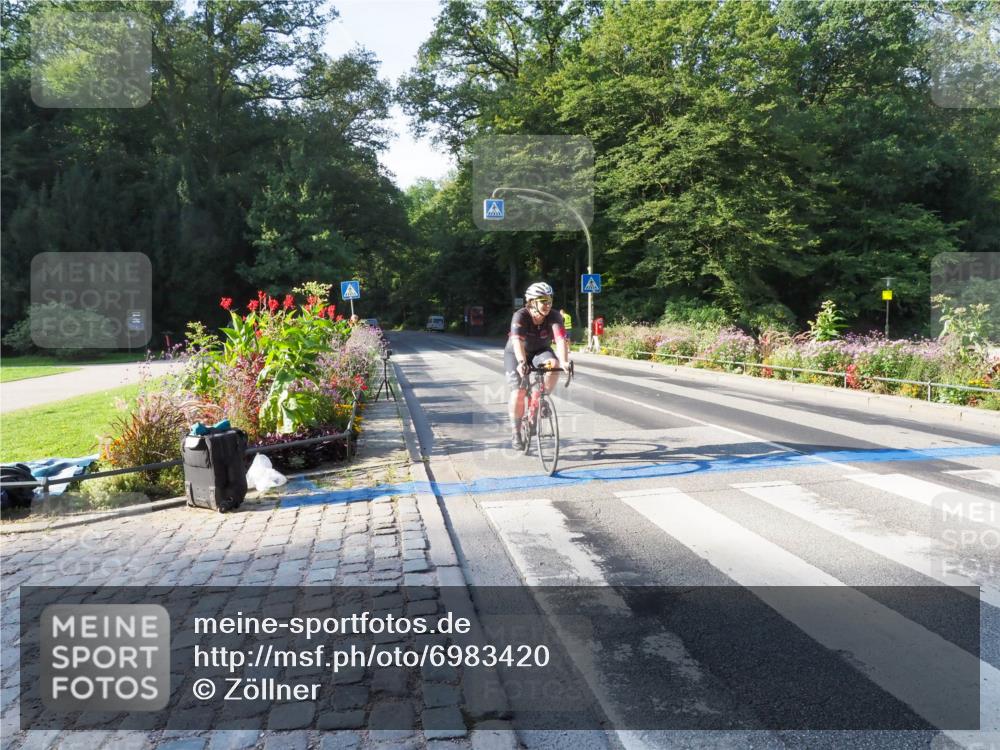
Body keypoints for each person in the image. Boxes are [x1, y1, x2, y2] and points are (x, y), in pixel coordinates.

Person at [505, 282, 571, 450]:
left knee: (553, 364)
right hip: (517, 352)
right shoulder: (520, 316)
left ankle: (538, 401)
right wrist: (522, 362)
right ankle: (516, 432)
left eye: (550, 300)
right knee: (518, 392)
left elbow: (560, 339)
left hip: (540, 350)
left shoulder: (554, 316)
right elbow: (517, 342)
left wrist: (564, 361)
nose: (548, 304)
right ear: (532, 302)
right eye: (543, 301)